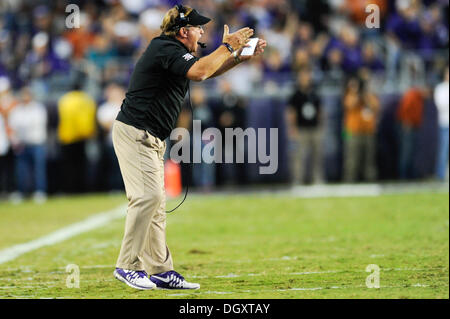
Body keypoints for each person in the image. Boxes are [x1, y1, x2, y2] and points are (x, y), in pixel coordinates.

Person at [112, 4, 266, 290]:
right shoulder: (164, 48)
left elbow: (206, 72)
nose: (201, 32)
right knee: (146, 199)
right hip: (136, 132)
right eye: (198, 28)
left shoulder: (173, 52)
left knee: (156, 205)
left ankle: (160, 270)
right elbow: (199, 72)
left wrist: (238, 56)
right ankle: (128, 265)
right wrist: (226, 46)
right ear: (183, 31)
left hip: (151, 136)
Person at [8, 87, 48, 203]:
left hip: (36, 143)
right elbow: (13, 126)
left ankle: (40, 191)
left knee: (38, 169)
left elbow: (34, 124)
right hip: (22, 144)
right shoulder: (17, 110)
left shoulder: (38, 109)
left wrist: (22, 128)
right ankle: (21, 191)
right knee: (21, 170)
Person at [286, 67, 324, 185]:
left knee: (317, 155)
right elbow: (291, 112)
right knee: (299, 156)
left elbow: (320, 111)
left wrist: (321, 126)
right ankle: (298, 179)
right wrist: (292, 128)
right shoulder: (295, 94)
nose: (305, 79)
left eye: (307, 76)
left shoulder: (314, 92)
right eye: (303, 76)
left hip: (314, 128)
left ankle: (317, 179)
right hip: (301, 128)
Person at [342, 76, 379, 182]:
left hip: (368, 132)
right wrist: (356, 93)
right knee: (351, 160)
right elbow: (350, 105)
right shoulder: (348, 95)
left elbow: (375, 106)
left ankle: (370, 181)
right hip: (352, 132)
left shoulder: (369, 96)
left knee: (369, 160)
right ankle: (349, 181)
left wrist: (366, 95)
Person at [434, 67, 449, 181]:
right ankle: (440, 175)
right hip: (445, 123)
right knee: (443, 150)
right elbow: (441, 105)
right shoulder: (440, 88)